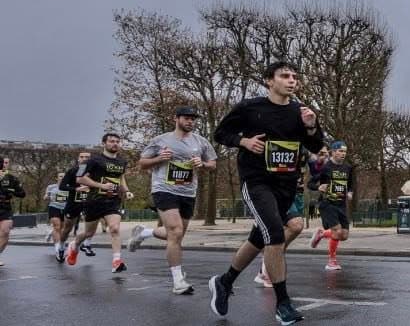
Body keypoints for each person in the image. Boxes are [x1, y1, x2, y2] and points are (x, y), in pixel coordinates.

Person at [208, 61, 324, 326]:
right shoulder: (251, 108)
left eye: (295, 76)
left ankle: (224, 282)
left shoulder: (301, 111)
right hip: (257, 181)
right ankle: (283, 304)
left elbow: (316, 145)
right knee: (273, 235)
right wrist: (244, 141)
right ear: (269, 81)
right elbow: (221, 133)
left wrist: (310, 126)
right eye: (285, 76)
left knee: (258, 240)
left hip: (286, 186)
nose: (292, 80)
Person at [128, 106, 218, 294]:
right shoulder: (160, 140)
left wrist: (202, 164)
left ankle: (144, 233)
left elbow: (213, 164)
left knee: (177, 235)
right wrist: (159, 158)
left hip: (188, 192)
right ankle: (178, 281)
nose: (190, 122)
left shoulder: (201, 142)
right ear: (176, 118)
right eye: (186, 118)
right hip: (164, 190)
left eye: (193, 119)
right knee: (175, 232)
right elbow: (142, 163)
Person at [67, 133, 133, 273]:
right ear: (104, 143)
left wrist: (126, 191)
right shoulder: (92, 161)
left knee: (114, 228)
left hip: (113, 200)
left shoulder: (122, 162)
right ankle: (74, 245)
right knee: (89, 233)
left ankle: (116, 261)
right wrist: (101, 186)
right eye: (111, 141)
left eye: (117, 141)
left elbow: (121, 178)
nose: (115, 144)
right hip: (94, 201)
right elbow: (79, 179)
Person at [255, 146, 313, 288]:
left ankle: (267, 262)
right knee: (286, 228)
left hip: (292, 194)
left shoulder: (304, 146)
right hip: (270, 192)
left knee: (291, 228)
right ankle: (267, 266)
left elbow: (315, 170)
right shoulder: (272, 140)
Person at [308, 140, 356, 271]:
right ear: (333, 152)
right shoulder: (325, 167)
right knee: (337, 231)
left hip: (341, 204)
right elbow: (310, 184)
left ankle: (322, 234)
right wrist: (319, 187)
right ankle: (331, 261)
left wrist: (350, 192)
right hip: (327, 203)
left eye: (344, 152)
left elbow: (351, 184)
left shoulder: (348, 168)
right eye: (340, 151)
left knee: (344, 235)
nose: (343, 154)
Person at [56, 152, 92, 262]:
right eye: (82, 157)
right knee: (67, 228)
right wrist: (76, 189)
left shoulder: (95, 171)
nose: (84, 159)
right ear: (78, 159)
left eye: (87, 157)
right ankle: (61, 247)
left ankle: (86, 244)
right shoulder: (73, 171)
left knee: (93, 224)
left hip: (88, 202)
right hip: (74, 203)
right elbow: (62, 186)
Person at [0, 157, 27, 267]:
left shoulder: (11, 178)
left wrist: (11, 190)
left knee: (5, 232)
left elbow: (22, 193)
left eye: (6, 163)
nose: (4, 165)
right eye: (3, 163)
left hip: (5, 206)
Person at [45, 171, 68, 255]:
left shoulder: (68, 187)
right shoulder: (51, 187)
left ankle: (50, 232)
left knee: (62, 228)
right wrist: (47, 197)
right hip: (54, 207)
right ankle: (57, 247)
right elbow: (45, 196)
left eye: (64, 176)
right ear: (57, 178)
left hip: (65, 209)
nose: (62, 178)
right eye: (60, 176)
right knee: (57, 227)